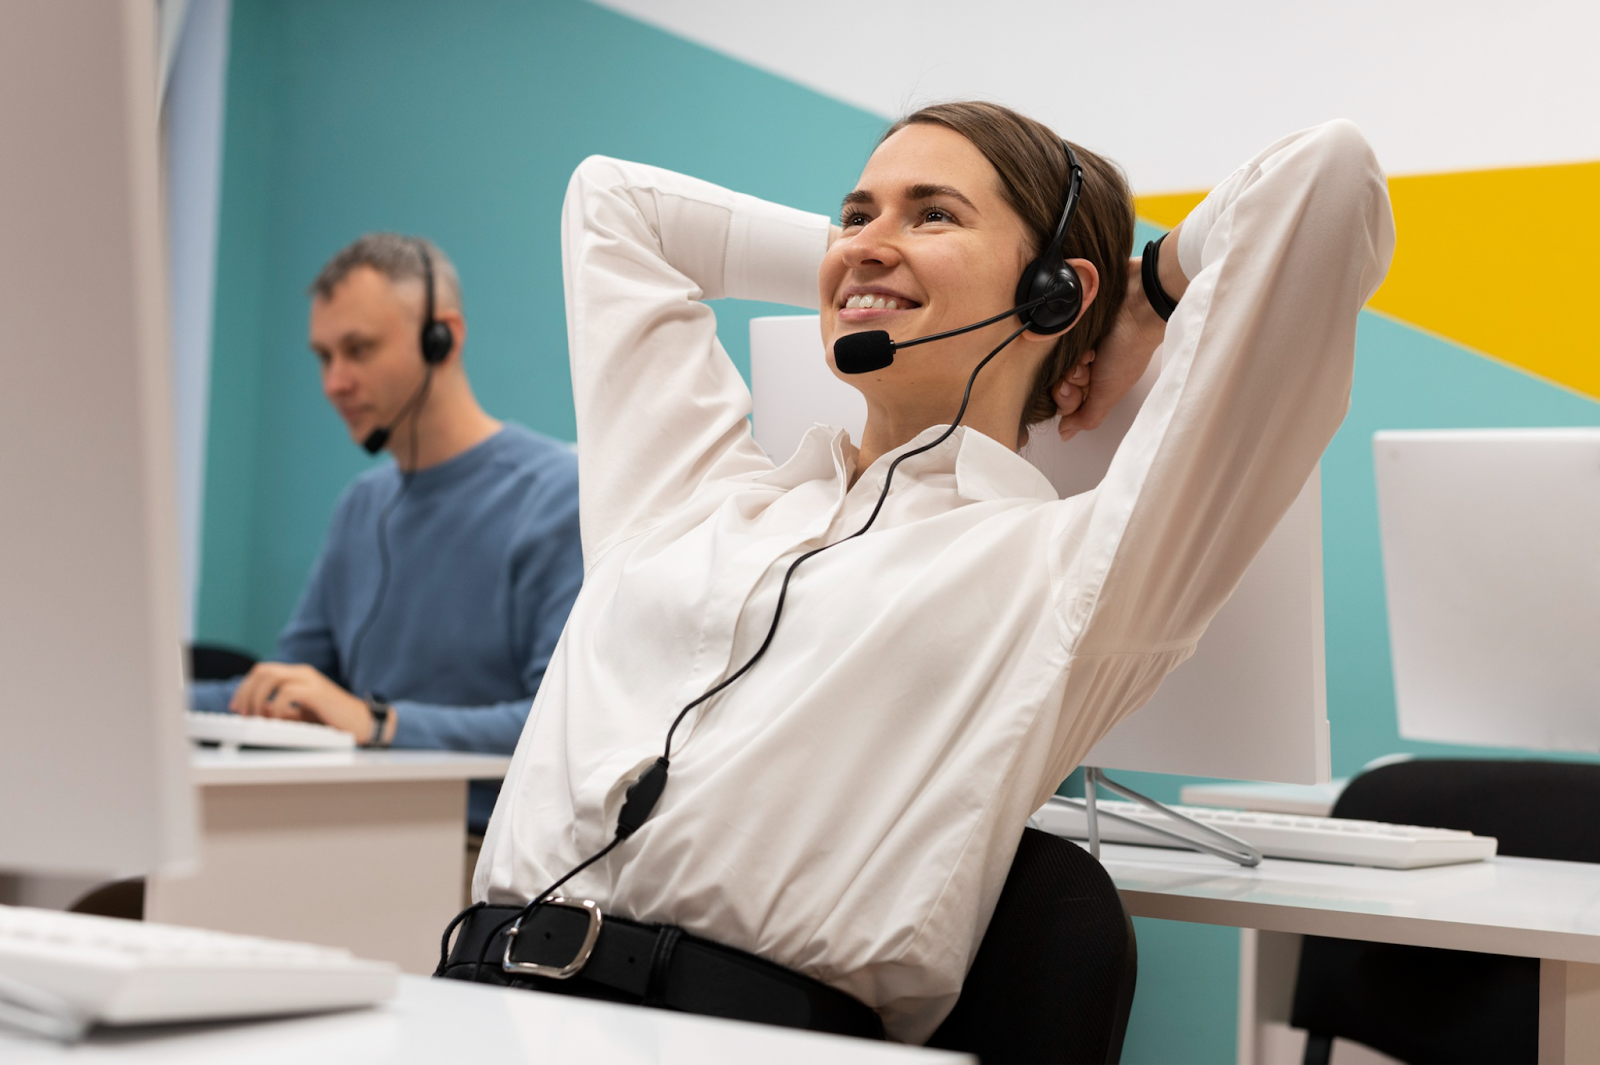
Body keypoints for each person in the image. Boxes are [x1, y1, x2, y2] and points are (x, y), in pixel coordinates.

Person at [456, 104, 1394, 1042]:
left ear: (1052, 293)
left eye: (933, 213)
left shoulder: (1070, 570)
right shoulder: (690, 497)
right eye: (858, 213)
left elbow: (1329, 179)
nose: (866, 242)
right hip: (472, 1010)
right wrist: (866, 265)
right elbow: (617, 207)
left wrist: (1144, 287)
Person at [192, 234, 584, 838]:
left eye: (358, 350)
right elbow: (282, 689)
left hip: (479, 863)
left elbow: (562, 729)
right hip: (353, 832)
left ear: (442, 339)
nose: (335, 382)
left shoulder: (558, 494)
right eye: (324, 356)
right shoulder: (363, 505)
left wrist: (377, 723)